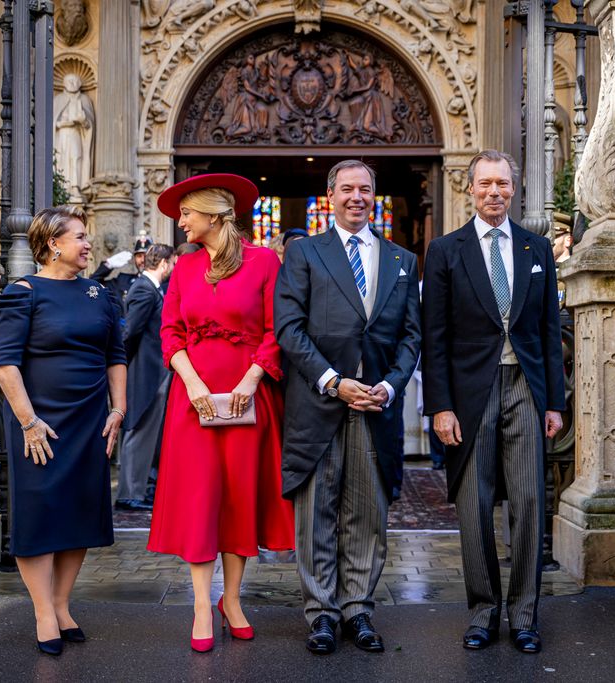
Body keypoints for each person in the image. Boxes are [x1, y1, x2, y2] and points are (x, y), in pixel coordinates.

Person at [421, 149, 565, 655]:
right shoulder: (445, 250)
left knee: (529, 503)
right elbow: (433, 336)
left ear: (514, 188)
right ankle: (483, 613)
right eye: (485, 184)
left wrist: (555, 402)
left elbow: (548, 330)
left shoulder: (536, 249)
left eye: (503, 183)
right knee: (475, 505)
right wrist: (439, 406)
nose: (494, 192)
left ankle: (524, 616)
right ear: (471, 189)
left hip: (525, 386)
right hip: (469, 394)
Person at [275, 160, 421, 655]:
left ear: (375, 196)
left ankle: (358, 609)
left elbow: (410, 336)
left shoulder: (402, 260)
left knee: (367, 513)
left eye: (365, 190)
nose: (356, 197)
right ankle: (321, 613)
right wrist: (333, 381)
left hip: (375, 407)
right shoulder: (305, 254)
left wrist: (389, 385)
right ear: (330, 195)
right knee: (316, 511)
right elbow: (288, 329)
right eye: (347, 189)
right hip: (319, 402)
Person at [147, 174, 294, 653]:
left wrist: (249, 384)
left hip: (249, 399)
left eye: (186, 212)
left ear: (213, 214)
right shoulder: (185, 268)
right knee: (199, 500)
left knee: (237, 500)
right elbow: (170, 333)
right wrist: (192, 384)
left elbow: (277, 330)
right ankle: (199, 605)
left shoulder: (264, 262)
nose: (180, 221)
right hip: (193, 402)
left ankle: (232, 600)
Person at [0, 205, 127, 656]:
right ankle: (43, 611)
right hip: (40, 420)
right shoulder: (22, 293)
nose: (89, 244)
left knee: (80, 511)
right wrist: (28, 421)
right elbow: (5, 363)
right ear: (53, 244)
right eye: (80, 236)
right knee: (41, 511)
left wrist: (117, 410)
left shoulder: (100, 295)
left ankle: (63, 605)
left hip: (89, 418)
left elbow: (115, 356)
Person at [116, 243, 175, 512]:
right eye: (171, 263)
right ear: (163, 263)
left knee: (149, 431)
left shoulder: (152, 288)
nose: (172, 268)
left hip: (154, 370)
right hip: (143, 371)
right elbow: (131, 332)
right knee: (137, 429)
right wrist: (123, 365)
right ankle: (129, 493)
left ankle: (139, 489)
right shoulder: (143, 288)